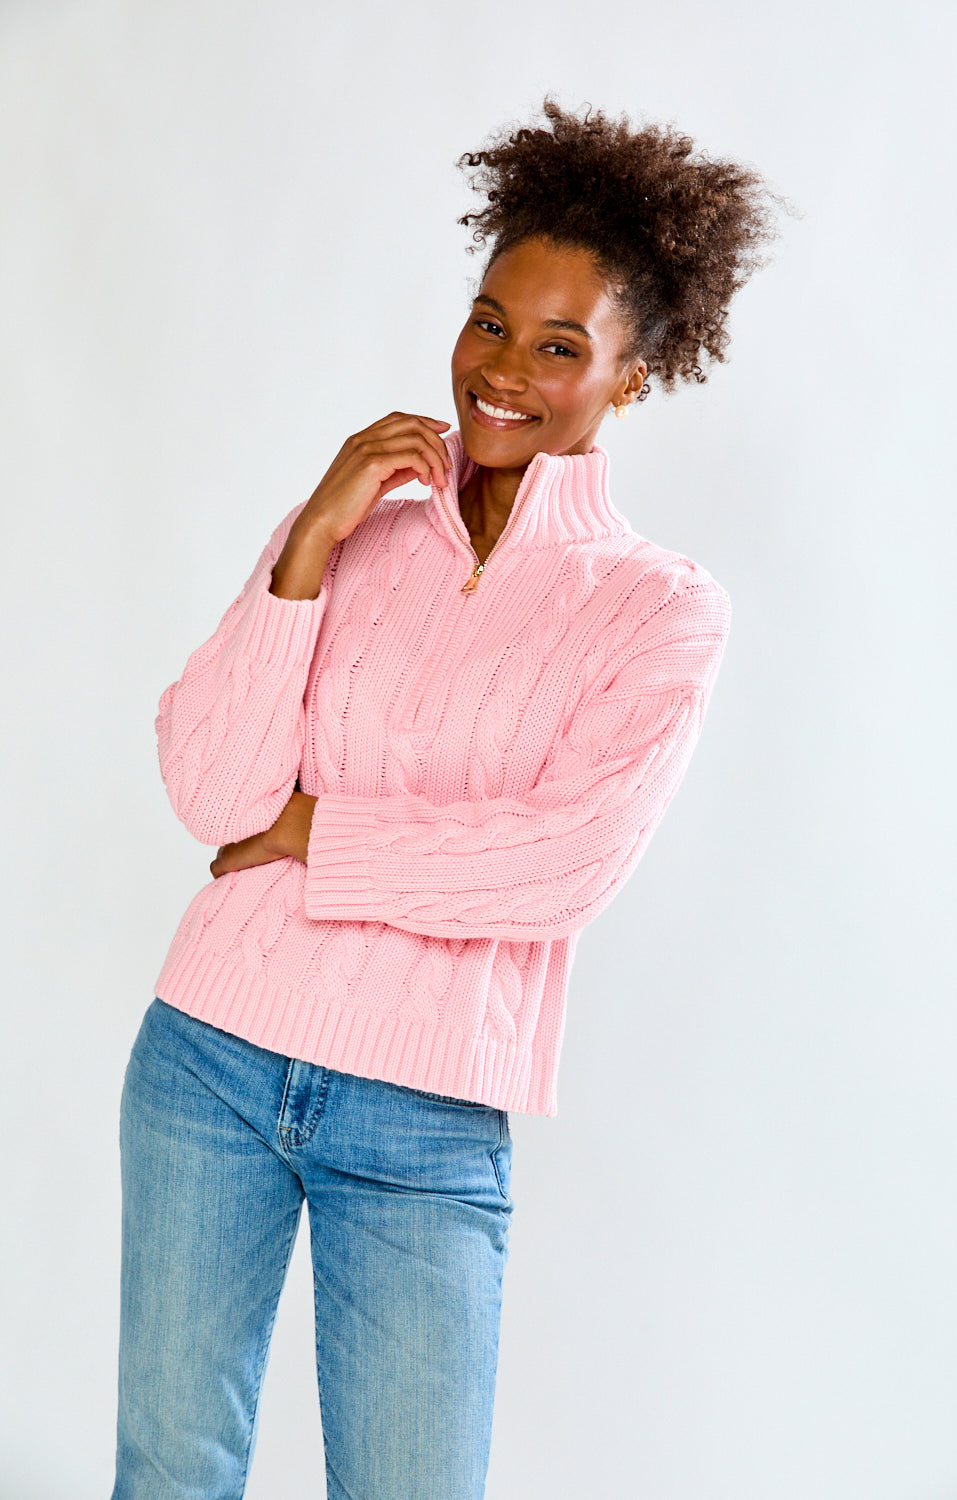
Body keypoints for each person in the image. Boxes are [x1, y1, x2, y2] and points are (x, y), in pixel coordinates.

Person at [111, 97, 784, 1500]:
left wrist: (313, 832)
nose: (505, 372)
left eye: (560, 346)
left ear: (633, 373)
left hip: (424, 1114)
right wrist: (307, 541)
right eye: (490, 323)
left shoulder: (658, 611)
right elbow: (207, 786)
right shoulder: (357, 530)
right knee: (169, 1471)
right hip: (209, 1059)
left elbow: (559, 870)